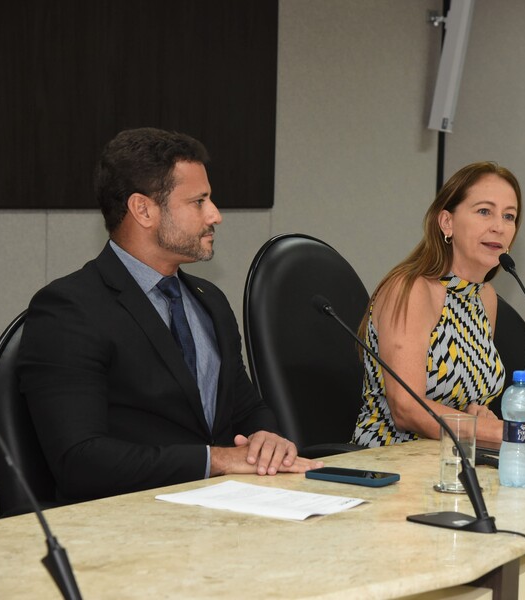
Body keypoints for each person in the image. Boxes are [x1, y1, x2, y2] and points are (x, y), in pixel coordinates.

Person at [19, 128, 320, 502]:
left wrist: (266, 438)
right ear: (143, 210)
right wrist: (217, 460)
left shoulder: (210, 300)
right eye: (199, 201)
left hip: (228, 511)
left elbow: (246, 408)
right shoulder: (69, 310)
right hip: (126, 527)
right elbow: (79, 461)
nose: (215, 215)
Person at [351, 161, 525, 457]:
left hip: (456, 459)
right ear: (447, 223)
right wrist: (513, 432)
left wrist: (477, 413)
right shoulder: (411, 289)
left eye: (509, 216)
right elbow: (407, 408)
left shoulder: (484, 297)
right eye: (484, 212)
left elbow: (457, 398)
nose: (499, 226)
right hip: (390, 461)